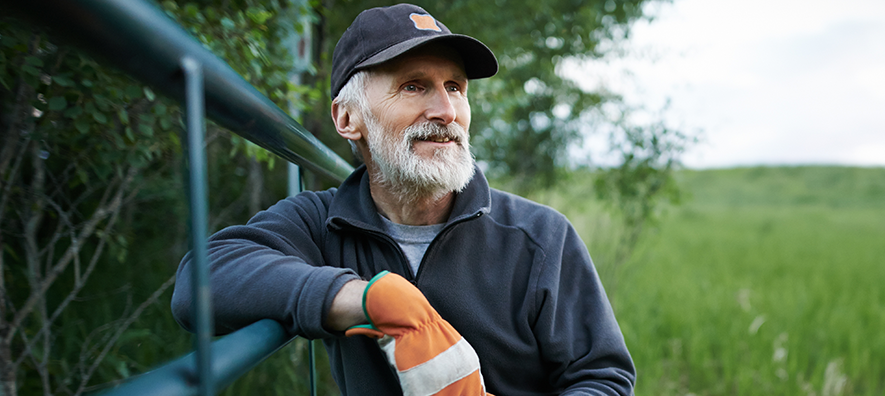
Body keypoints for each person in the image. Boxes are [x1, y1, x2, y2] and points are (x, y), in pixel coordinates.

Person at [171, 3, 636, 395]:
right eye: (414, 86)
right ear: (348, 118)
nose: (446, 111)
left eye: (455, 87)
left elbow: (603, 378)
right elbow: (201, 281)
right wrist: (366, 300)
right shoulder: (322, 222)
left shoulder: (540, 237)